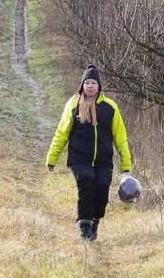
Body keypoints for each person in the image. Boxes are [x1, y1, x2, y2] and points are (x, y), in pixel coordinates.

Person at [46, 64, 132, 241]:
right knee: (86, 182)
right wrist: (52, 158)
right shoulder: (74, 104)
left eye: (93, 83)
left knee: (101, 189)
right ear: (82, 86)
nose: (90, 86)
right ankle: (84, 226)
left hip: (103, 160)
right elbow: (62, 133)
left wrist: (126, 164)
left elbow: (120, 137)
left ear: (99, 86)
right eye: (87, 83)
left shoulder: (110, 107)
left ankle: (95, 222)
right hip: (79, 159)